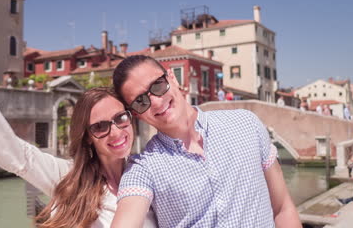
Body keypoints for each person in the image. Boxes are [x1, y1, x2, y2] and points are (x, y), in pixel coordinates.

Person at [0, 0, 157, 228]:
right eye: (100, 126)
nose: (116, 132)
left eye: (120, 118)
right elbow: (8, 148)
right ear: (87, 136)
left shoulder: (150, 172)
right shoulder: (66, 177)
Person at [110, 55, 301, 227]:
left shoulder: (246, 124)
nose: (157, 102)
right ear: (137, 114)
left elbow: (283, 208)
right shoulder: (143, 168)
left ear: (172, 79)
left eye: (158, 86)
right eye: (141, 101)